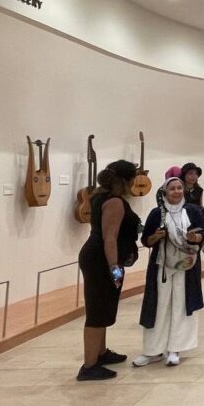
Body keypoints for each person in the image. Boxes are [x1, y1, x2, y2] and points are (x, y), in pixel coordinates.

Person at [76, 160, 140, 381]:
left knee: (102, 308)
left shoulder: (98, 196)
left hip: (96, 256)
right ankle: (89, 365)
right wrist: (115, 269)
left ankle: (100, 353)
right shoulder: (114, 202)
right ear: (126, 180)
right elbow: (110, 237)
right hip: (101, 260)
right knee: (96, 311)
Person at [134, 176, 204, 367]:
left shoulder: (192, 211)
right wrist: (155, 237)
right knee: (160, 305)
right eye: (172, 188)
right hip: (162, 266)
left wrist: (195, 237)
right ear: (165, 192)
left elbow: (203, 235)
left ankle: (176, 348)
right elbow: (145, 240)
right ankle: (153, 350)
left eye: (179, 188)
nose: (176, 192)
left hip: (186, 266)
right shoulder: (157, 213)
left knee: (180, 303)